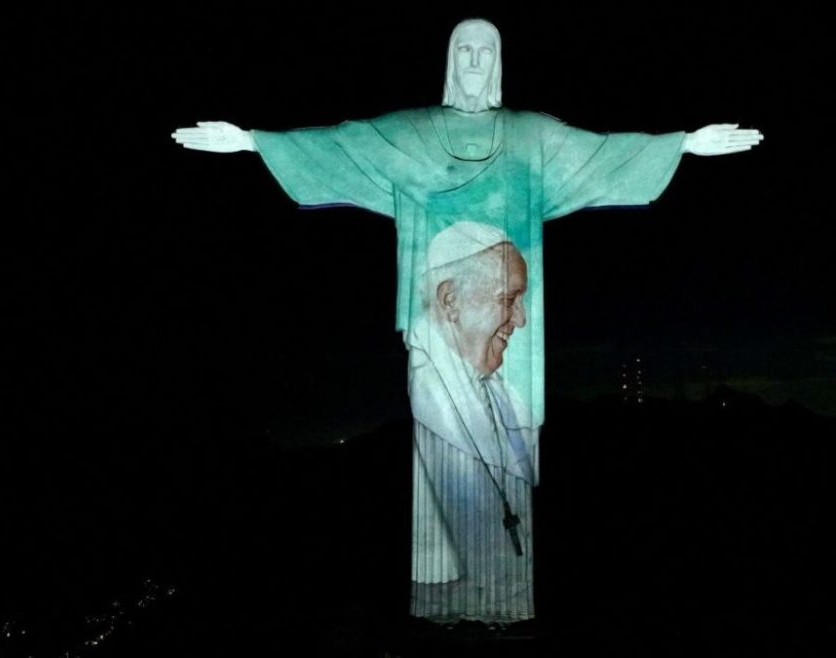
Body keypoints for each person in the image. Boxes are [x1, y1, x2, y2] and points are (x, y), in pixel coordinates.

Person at [172, 18, 763, 623]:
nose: (476, 59)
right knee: (446, 459)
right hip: (436, 347)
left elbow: (601, 152)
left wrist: (682, 144)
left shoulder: (530, 136)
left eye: (487, 51)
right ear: (452, 60)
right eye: (466, 50)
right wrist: (251, 141)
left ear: (499, 61)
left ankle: (501, 606)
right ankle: (448, 605)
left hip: (509, 368)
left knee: (505, 458)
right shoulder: (414, 134)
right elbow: (342, 144)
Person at [407, 221, 537, 622]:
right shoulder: (431, 395)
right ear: (450, 301)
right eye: (508, 299)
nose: (521, 320)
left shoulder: (493, 389)